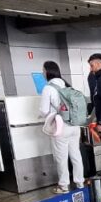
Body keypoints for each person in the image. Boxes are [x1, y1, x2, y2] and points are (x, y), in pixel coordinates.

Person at [39, 62, 84, 194]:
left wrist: (43, 115)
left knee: (61, 157)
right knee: (76, 155)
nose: (42, 73)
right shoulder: (67, 85)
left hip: (61, 126)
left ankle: (64, 186)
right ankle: (80, 182)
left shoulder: (48, 88)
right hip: (75, 125)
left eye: (43, 70)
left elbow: (44, 110)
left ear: (48, 72)